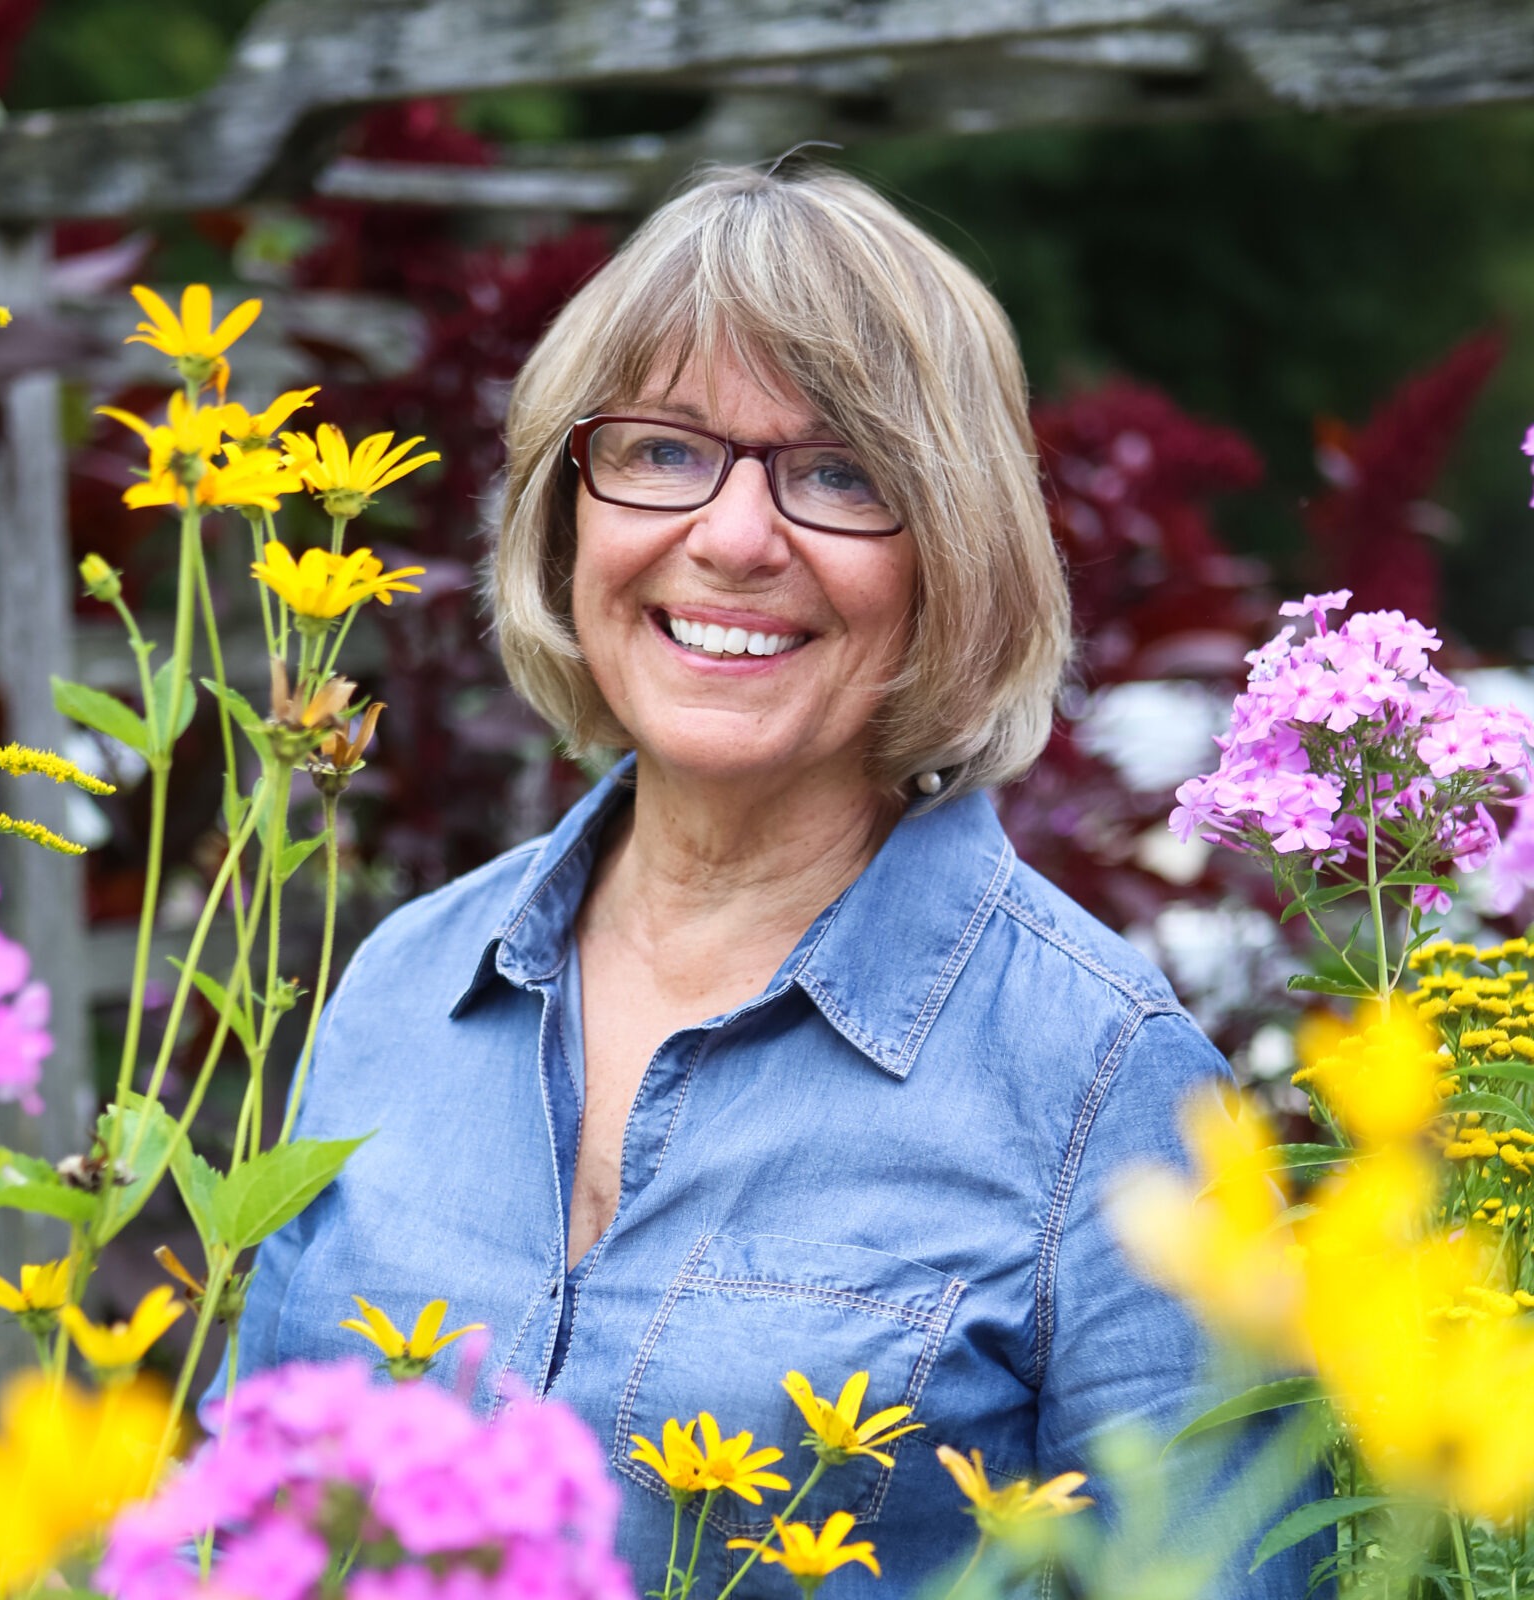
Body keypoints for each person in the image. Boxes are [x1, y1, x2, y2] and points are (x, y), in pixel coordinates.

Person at [215, 164, 1314, 1596]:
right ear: (568, 508)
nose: (733, 539)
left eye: (840, 474)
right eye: (663, 452)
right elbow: (235, 1530)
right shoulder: (405, 986)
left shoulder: (1108, 1086)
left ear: (956, 556)